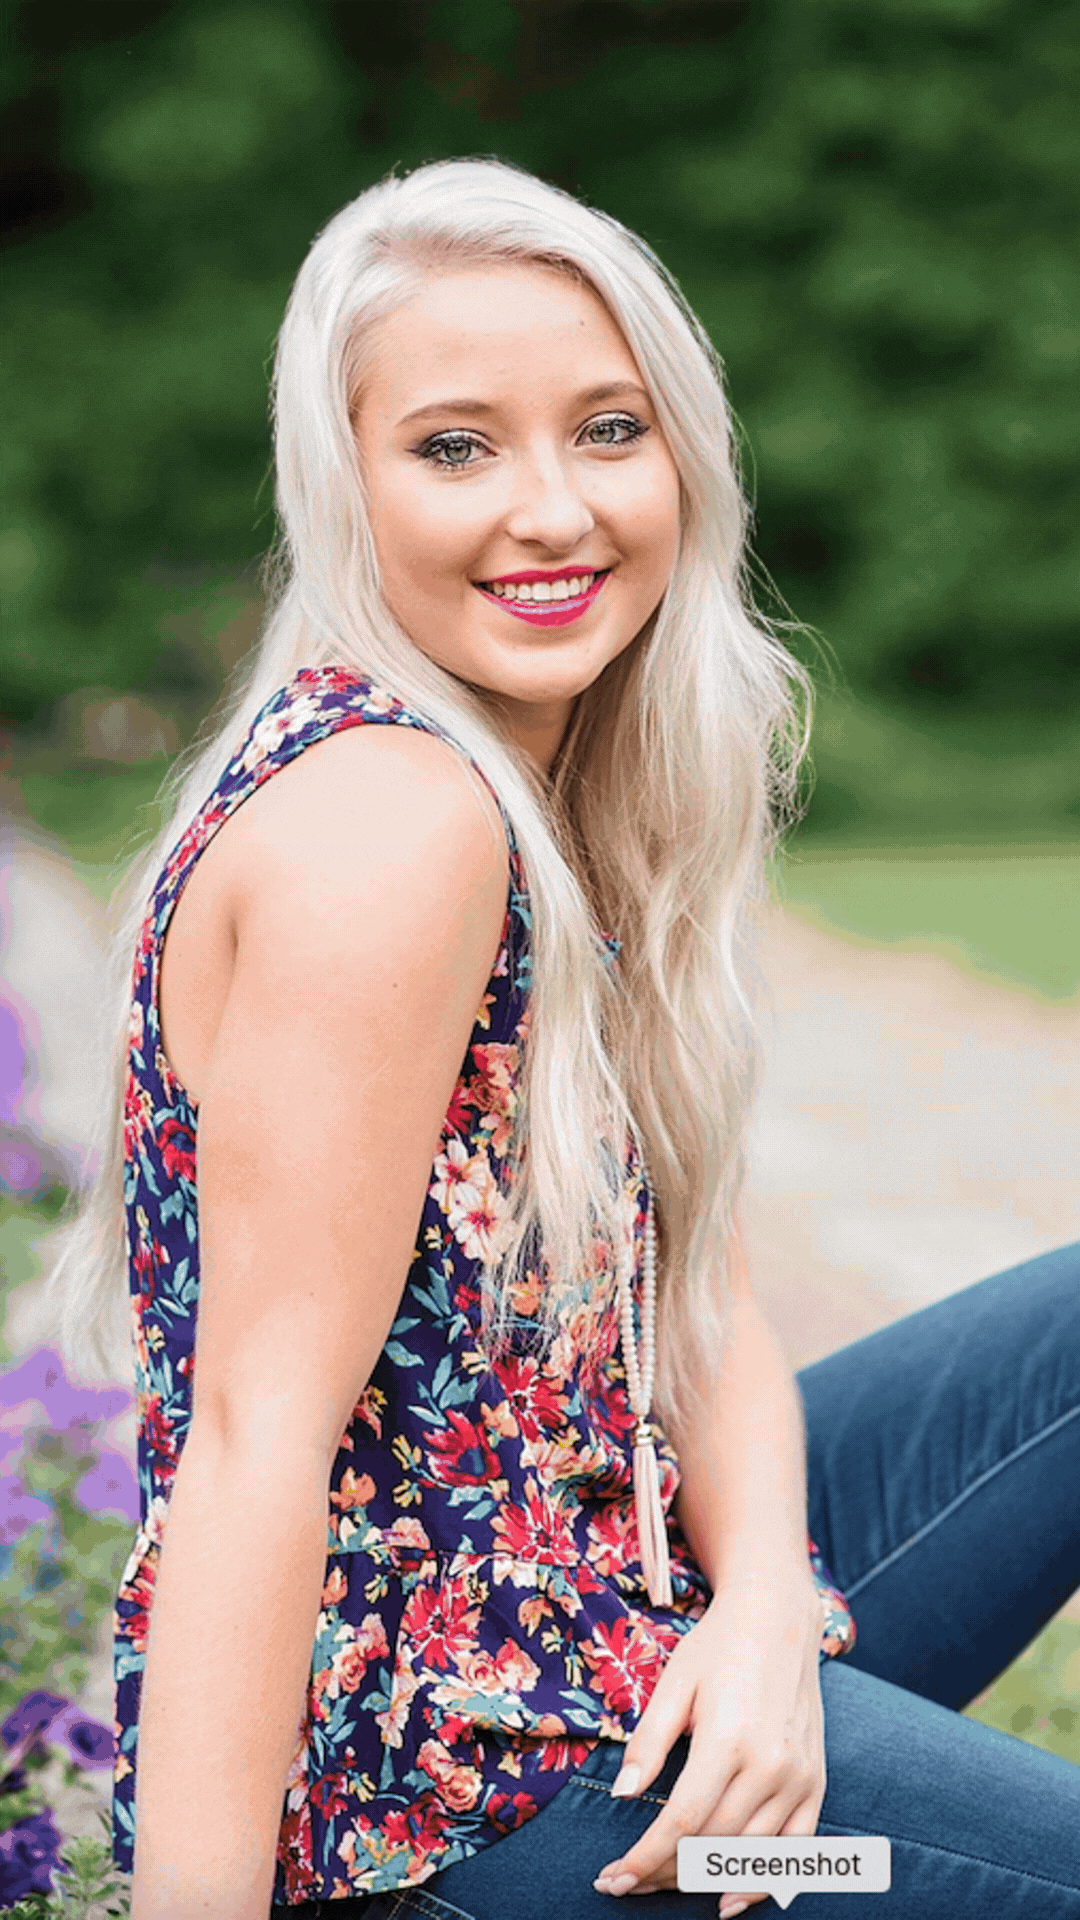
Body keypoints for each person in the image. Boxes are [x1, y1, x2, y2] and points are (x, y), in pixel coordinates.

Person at [47, 157, 1080, 1920]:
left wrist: (765, 1615)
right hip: (493, 1802)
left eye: (608, 429)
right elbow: (251, 1438)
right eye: (456, 447)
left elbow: (694, 1277)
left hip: (630, 1600)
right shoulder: (393, 829)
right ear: (344, 485)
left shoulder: (545, 780)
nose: (554, 510)